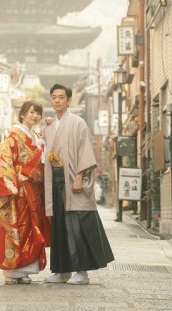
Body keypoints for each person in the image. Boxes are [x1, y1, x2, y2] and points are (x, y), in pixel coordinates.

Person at [43, 84, 114, 285]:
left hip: (73, 181)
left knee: (77, 226)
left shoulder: (78, 123)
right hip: (55, 182)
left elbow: (85, 151)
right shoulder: (49, 125)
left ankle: (82, 272)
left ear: (69, 101)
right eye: (54, 97)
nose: (57, 100)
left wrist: (79, 177)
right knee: (59, 227)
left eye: (61, 97)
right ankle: (61, 270)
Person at [0, 100, 51, 285]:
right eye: (31, 112)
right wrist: (10, 186)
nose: (35, 116)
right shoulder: (14, 134)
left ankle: (25, 269)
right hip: (19, 188)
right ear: (22, 114)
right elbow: (5, 159)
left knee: (32, 226)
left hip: (34, 189)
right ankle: (11, 271)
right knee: (18, 226)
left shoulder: (38, 135)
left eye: (38, 113)